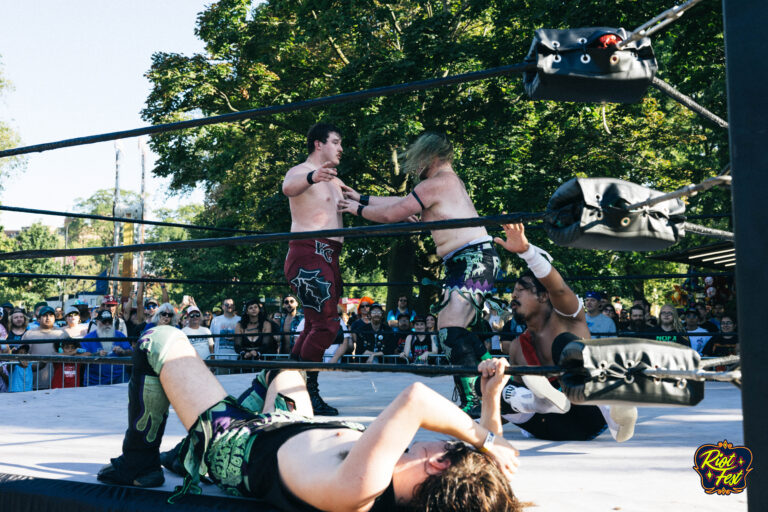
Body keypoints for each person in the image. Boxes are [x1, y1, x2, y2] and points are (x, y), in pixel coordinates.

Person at [96, 326, 520, 512]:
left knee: (159, 340)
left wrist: (484, 438)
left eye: (448, 446)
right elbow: (492, 473)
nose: (435, 440)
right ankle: (185, 450)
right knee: (284, 371)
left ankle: (139, 464)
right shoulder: (399, 480)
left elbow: (416, 399)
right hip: (294, 424)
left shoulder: (363, 489)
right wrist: (490, 401)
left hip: (239, 441)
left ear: (439, 463)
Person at [338, 132, 498, 415]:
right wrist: (363, 197)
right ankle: (494, 383)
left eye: (417, 159)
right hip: (469, 260)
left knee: (449, 329)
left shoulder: (437, 183)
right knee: (455, 330)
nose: (413, 167)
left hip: (472, 259)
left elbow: (393, 213)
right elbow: (399, 203)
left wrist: (356, 208)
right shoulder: (445, 183)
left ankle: (475, 400)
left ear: (430, 156)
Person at [493, 222, 636, 442]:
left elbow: (557, 287)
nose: (514, 296)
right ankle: (543, 401)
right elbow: (512, 404)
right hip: (550, 425)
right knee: (490, 380)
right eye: (514, 292)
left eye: (521, 290)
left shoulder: (569, 317)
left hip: (588, 413)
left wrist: (527, 252)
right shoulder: (518, 346)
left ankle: (614, 414)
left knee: (566, 343)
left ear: (542, 296)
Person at [282, 122, 348, 416]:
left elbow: (363, 202)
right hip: (309, 253)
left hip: (329, 255)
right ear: (319, 144)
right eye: (336, 142)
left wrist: (406, 209)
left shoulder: (334, 181)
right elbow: (288, 188)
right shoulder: (301, 171)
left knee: (313, 326)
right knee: (326, 327)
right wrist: (312, 176)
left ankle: (288, 390)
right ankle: (306, 394)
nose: (341, 148)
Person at [80, 310, 133, 386]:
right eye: (104, 322)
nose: (107, 324)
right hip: (94, 381)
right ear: (97, 322)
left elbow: (131, 352)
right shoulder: (88, 338)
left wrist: (123, 352)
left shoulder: (120, 335)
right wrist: (95, 354)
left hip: (118, 379)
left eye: (110, 322)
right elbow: (80, 356)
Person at [23, 306, 70, 389]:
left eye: (51, 315)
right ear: (38, 319)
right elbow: (21, 354)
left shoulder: (62, 333)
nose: (48, 318)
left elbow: (71, 351)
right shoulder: (29, 334)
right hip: (34, 380)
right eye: (45, 315)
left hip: (57, 380)